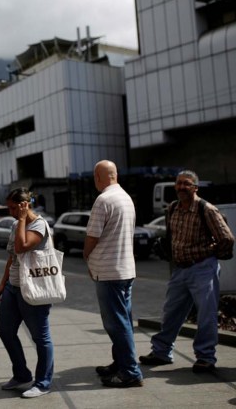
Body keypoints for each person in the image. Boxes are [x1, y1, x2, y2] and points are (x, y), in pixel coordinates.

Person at [139, 170, 234, 373]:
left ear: (195, 188)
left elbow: (227, 238)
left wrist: (208, 254)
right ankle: (162, 352)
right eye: (179, 183)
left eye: (187, 184)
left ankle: (205, 357)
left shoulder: (206, 209)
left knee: (206, 316)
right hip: (180, 270)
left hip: (202, 269)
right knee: (171, 312)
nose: (182, 187)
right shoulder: (173, 208)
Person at [83, 160, 144, 388]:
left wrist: (86, 255)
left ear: (99, 177)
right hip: (125, 269)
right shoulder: (125, 197)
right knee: (124, 320)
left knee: (116, 324)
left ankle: (130, 372)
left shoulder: (104, 200)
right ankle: (120, 363)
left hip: (109, 271)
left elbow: (93, 235)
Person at [0, 188, 55, 398]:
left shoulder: (39, 225)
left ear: (23, 205)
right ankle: (21, 374)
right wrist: (2, 284)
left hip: (34, 289)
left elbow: (21, 247)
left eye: (12, 207)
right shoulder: (14, 225)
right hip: (13, 286)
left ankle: (43, 382)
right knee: (5, 331)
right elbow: (12, 257)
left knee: (41, 337)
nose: (10, 211)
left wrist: (21, 220)